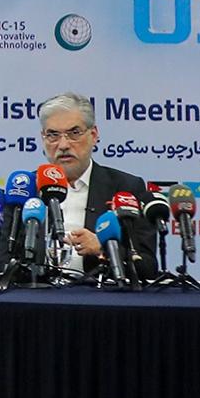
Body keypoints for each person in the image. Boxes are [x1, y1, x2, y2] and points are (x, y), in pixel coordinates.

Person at [39, 91, 158, 278]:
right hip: (36, 293)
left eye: (74, 133)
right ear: (43, 138)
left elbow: (148, 268)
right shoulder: (25, 189)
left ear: (93, 135)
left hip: (100, 294)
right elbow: (4, 263)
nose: (63, 145)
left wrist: (104, 249)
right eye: (53, 135)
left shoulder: (126, 188)